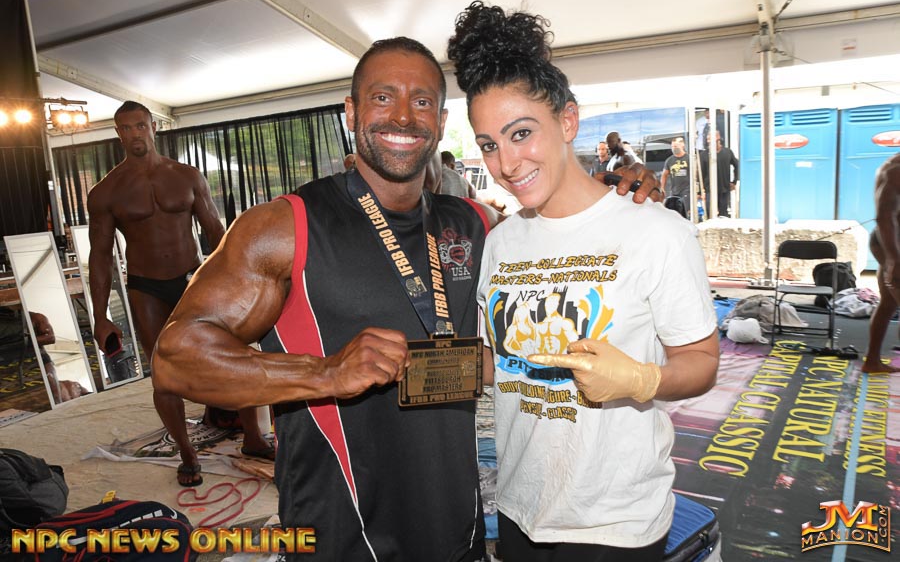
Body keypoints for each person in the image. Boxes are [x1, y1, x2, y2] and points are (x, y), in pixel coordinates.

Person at [152, 36, 660, 560]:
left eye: (421, 102)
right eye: (382, 97)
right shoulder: (285, 226)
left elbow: (562, 229)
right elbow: (174, 359)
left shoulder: (477, 224)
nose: (402, 116)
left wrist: (618, 194)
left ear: (440, 121)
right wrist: (324, 373)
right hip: (340, 535)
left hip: (457, 529)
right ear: (351, 112)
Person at [448, 1, 719, 560]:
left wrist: (640, 379)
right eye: (490, 144)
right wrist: (407, 369)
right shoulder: (500, 242)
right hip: (520, 507)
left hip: (613, 522)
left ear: (567, 121)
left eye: (522, 133)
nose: (507, 163)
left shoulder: (655, 231)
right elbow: (500, 363)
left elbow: (702, 362)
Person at [86, 101, 272, 488]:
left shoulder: (187, 176)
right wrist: (100, 317)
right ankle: (187, 453)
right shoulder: (106, 192)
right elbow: (100, 256)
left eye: (140, 125)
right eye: (125, 128)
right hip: (146, 287)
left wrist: (239, 279)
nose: (134, 134)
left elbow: (215, 231)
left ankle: (254, 439)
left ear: (153, 127)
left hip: (193, 278)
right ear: (118, 134)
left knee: (235, 355)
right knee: (164, 372)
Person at [864, 152, 900, 373]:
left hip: (890, 244)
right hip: (892, 244)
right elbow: (884, 216)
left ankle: (872, 361)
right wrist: (894, 258)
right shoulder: (895, 170)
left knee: (888, 303)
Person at [700, 130, 739, 217]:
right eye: (708, 139)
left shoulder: (727, 152)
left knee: (723, 214)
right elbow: (701, 174)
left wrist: (734, 181)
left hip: (724, 189)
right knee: (710, 213)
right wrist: (701, 191)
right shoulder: (704, 155)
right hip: (709, 190)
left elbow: (737, 165)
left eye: (710, 139)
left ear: (718, 139)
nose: (708, 141)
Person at [660, 136, 691, 214]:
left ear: (682, 145)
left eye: (676, 146)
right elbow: (664, 175)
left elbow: (696, 174)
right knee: (674, 212)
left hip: (687, 190)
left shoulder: (689, 158)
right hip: (674, 191)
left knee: (685, 210)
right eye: (672, 146)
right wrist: (662, 187)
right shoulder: (669, 160)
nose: (674, 148)